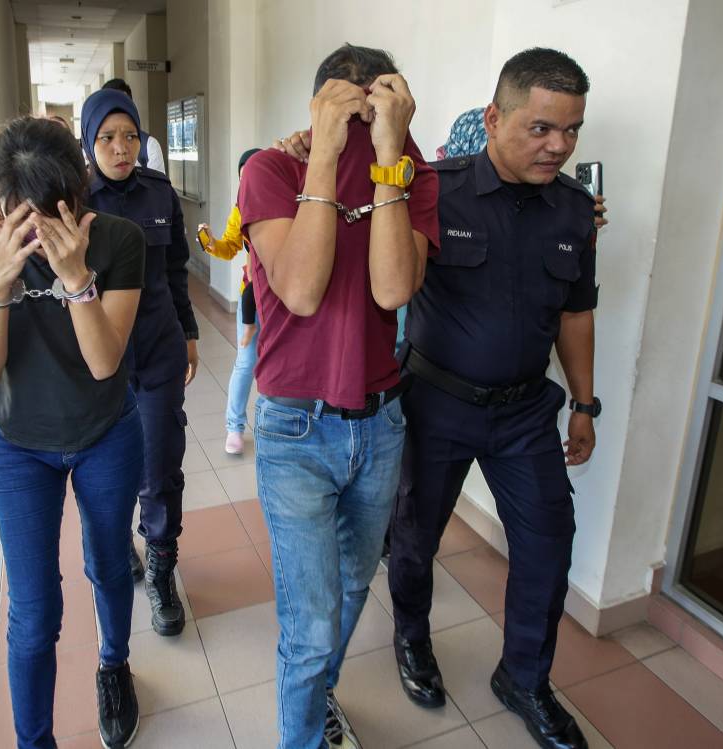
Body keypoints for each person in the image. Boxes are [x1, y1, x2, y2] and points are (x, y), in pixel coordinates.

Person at [391, 48, 601, 749]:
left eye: (571, 130)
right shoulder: (435, 191)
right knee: (414, 538)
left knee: (548, 541)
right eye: (541, 128)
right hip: (437, 403)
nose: (559, 146)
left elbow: (576, 312)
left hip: (524, 414)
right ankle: (413, 637)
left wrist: (584, 402)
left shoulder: (573, 210)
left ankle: (524, 677)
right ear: (494, 117)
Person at [240, 43, 439, 749]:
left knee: (354, 585)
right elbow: (298, 288)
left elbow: (391, 288)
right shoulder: (271, 169)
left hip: (379, 425)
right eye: (340, 101)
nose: (356, 110)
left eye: (372, 99)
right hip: (297, 430)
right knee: (312, 620)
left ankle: (320, 695)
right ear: (316, 103)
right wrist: (321, 158)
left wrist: (390, 155)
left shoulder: (411, 174)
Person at [0, 116, 145, 749]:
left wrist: (78, 277)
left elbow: (104, 362)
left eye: (50, 213)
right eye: (15, 214)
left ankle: (114, 665)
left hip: (106, 433)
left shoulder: (117, 239)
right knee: (33, 613)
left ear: (78, 194)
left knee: (109, 565)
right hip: (20, 447)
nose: (32, 231)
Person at [81, 89, 199, 638]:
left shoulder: (159, 193)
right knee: (109, 472)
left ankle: (161, 568)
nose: (121, 148)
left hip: (156, 348)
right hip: (98, 363)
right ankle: (121, 544)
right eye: (107, 137)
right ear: (89, 143)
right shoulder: (73, 201)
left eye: (129, 136)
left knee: (160, 466)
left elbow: (176, 269)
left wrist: (190, 332)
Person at [197, 148, 262, 455]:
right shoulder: (239, 210)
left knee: (278, 363)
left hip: (282, 299)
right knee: (246, 361)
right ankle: (234, 427)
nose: (249, 182)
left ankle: (273, 424)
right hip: (252, 295)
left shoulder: (286, 204)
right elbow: (229, 247)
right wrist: (210, 243)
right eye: (244, 177)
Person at [100, 78, 167, 174]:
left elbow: (158, 187)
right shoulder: (96, 145)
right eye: (112, 105)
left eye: (123, 104)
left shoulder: (149, 146)